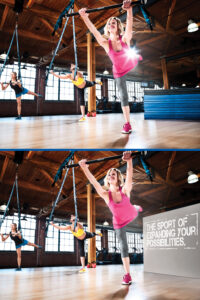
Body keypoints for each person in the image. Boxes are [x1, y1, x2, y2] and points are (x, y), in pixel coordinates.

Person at [78, 151, 143, 285]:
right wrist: (85, 168)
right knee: (123, 247)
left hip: (131, 214)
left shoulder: (125, 190)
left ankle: (136, 207)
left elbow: (130, 176)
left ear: (118, 178)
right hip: (119, 222)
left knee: (135, 209)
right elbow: (94, 182)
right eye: (109, 175)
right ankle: (127, 274)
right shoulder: (105, 194)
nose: (110, 176)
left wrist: (129, 161)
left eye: (113, 174)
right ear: (107, 180)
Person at [79, 0, 142, 133]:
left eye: (114, 22)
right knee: (123, 96)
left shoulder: (125, 38)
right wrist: (85, 17)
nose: (111, 24)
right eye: (109, 23)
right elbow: (94, 31)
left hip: (129, 63)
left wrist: (129, 10)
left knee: (134, 57)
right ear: (107, 28)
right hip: (119, 70)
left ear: (118, 26)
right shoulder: (105, 43)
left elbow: (129, 25)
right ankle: (127, 123)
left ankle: (127, 122)